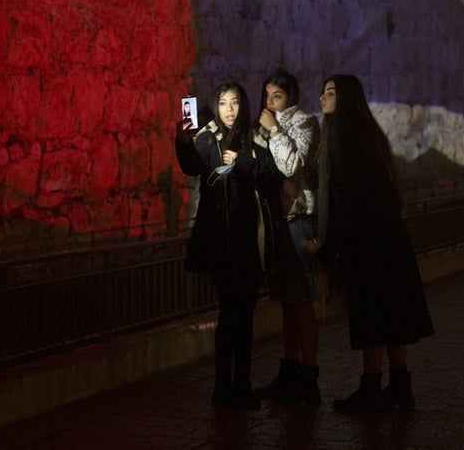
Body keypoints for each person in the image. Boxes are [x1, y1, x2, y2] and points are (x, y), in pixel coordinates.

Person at [307, 74, 435, 412]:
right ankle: (399, 385)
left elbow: (345, 196)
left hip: (366, 241)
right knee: (392, 313)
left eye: (330, 93)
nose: (322, 98)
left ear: (345, 99)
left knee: (371, 313)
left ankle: (370, 390)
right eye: (323, 92)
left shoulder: (339, 136)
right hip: (390, 236)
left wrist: (328, 245)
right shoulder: (370, 135)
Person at [175, 82, 286, 409]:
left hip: (249, 241)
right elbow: (192, 166)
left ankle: (242, 384)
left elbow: (271, 179)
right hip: (220, 243)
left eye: (235, 102)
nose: (229, 108)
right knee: (229, 313)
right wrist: (183, 142)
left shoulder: (253, 140)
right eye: (223, 102)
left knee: (244, 315)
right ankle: (223, 387)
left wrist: (242, 163)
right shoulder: (208, 139)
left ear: (243, 105)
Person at [253, 69, 322, 404]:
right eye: (266, 95)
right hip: (276, 222)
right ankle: (290, 367)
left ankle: (309, 375)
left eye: (276, 96)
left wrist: (275, 130)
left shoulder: (305, 123)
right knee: (286, 299)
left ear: (290, 96)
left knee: (303, 298)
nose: (270, 102)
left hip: (299, 218)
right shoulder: (263, 127)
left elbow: (292, 164)